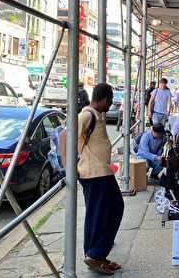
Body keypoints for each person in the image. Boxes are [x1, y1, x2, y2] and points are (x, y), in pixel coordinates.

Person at [77, 83, 124, 275]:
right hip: (94, 174)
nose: (110, 104)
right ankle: (95, 254)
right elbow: (66, 136)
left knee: (112, 209)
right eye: (110, 100)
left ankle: (97, 254)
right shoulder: (86, 115)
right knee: (99, 215)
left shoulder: (95, 115)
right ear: (105, 99)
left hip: (102, 172)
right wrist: (70, 168)